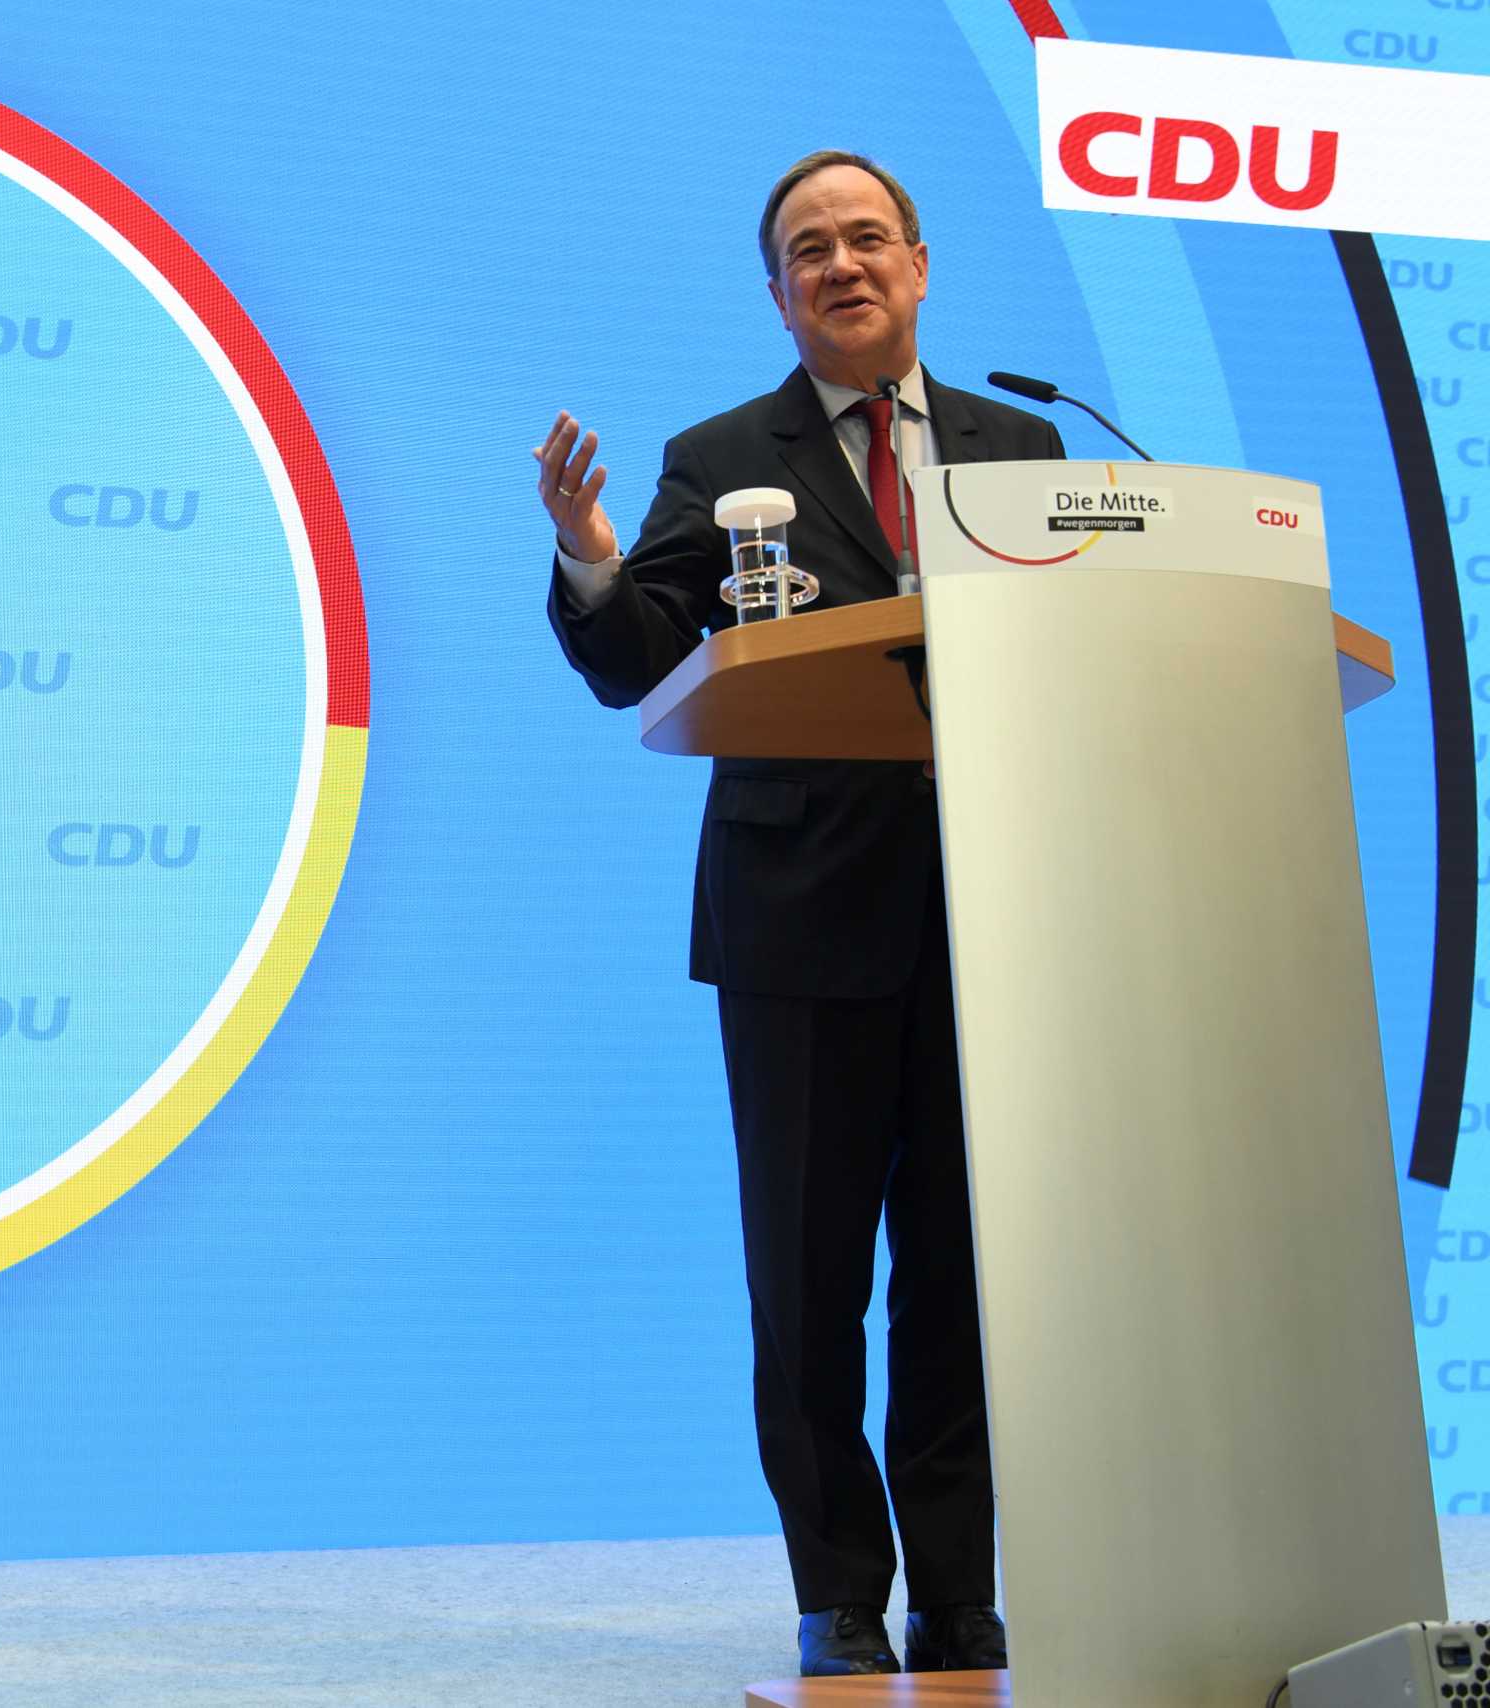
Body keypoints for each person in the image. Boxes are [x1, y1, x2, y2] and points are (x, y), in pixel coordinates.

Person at [534, 150, 1063, 1679]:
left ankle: (958, 1590)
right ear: (778, 294)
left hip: (998, 913)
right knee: (810, 1279)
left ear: (919, 264)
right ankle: (840, 1590)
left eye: (867, 238)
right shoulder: (720, 455)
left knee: (962, 1276)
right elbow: (641, 657)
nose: (843, 263)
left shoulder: (1026, 447)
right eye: (809, 249)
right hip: (799, 916)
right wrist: (590, 556)